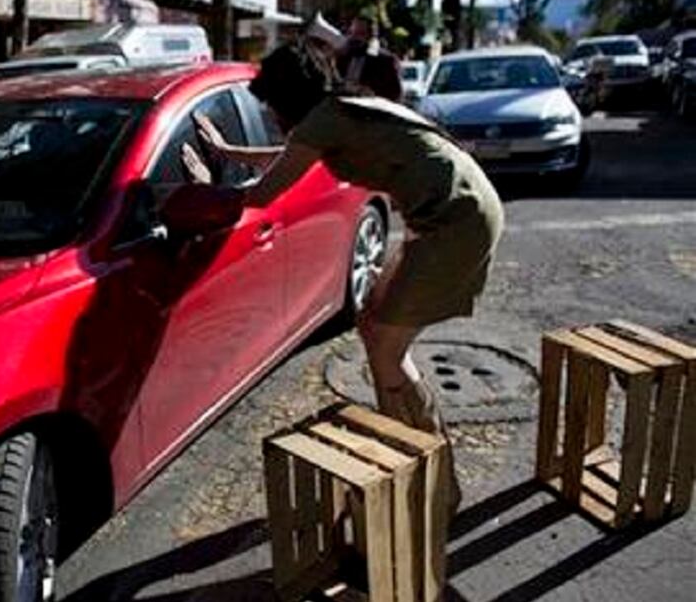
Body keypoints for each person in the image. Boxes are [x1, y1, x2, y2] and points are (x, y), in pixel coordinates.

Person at [189, 41, 505, 507]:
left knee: (386, 351)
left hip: (453, 222)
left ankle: (433, 482)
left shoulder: (324, 119)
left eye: (271, 104)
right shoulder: (336, 109)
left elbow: (262, 194)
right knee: (373, 327)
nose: (271, 113)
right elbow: (290, 154)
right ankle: (411, 458)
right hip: (459, 208)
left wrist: (204, 189)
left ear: (286, 99)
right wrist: (227, 150)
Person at [334, 15, 403, 102]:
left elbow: (395, 94)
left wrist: (371, 93)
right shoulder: (342, 56)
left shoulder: (385, 61)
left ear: (371, 36)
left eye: (360, 33)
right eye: (352, 33)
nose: (354, 38)